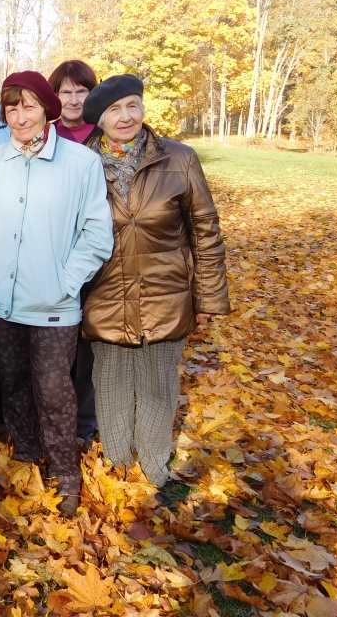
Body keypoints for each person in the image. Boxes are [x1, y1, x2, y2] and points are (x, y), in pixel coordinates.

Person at [80, 75, 230, 499]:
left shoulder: (179, 158)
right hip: (104, 294)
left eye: (132, 106)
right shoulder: (81, 163)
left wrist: (208, 297)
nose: (125, 117)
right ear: (99, 120)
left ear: (143, 109)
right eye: (114, 110)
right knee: (108, 382)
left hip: (167, 293)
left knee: (157, 384)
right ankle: (116, 461)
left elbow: (205, 229)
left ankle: (154, 462)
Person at [0, 71, 113, 517]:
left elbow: (96, 234)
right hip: (1, 300)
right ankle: (27, 455)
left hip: (53, 304)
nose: (19, 115)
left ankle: (66, 473)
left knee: (54, 391)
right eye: (11, 107)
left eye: (29, 105)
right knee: (12, 384)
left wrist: (64, 283)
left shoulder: (80, 163)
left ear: (48, 109)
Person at [47, 59, 103, 448]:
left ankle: (85, 419)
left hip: (93, 253)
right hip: (50, 252)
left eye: (81, 91)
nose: (72, 99)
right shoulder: (44, 135)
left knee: (86, 342)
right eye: (65, 91)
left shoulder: (102, 136)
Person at [49, 60, 101, 145]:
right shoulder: (46, 136)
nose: (74, 101)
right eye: (66, 92)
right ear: (55, 95)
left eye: (81, 92)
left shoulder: (106, 134)